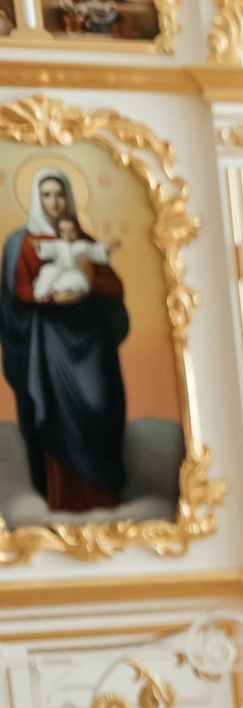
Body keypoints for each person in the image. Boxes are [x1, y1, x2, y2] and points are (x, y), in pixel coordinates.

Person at [1, 170, 131, 513]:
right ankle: (62, 501)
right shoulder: (22, 243)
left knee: (100, 411)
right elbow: (17, 294)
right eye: (46, 194)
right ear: (35, 198)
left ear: (70, 199)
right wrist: (48, 299)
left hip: (91, 347)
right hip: (48, 349)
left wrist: (90, 277)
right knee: (55, 416)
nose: (54, 202)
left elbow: (115, 289)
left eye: (60, 194)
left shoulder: (83, 240)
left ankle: (106, 501)